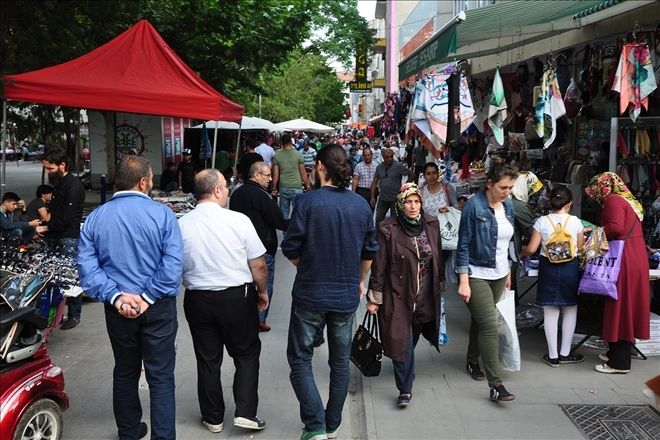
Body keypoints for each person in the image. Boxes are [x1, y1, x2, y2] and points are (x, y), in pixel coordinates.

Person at [77, 156, 183, 440]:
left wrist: (115, 297)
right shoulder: (163, 215)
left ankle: (129, 432)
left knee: (125, 370)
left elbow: (88, 268)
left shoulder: (96, 218)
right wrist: (147, 297)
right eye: (150, 179)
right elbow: (172, 266)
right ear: (143, 182)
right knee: (160, 376)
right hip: (157, 306)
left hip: (118, 308)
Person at [281, 144, 378, 440]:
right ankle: (331, 423)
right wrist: (359, 279)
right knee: (339, 361)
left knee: (299, 359)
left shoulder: (308, 203)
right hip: (345, 296)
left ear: (320, 166)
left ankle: (315, 425)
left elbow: (291, 247)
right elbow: (369, 252)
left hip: (310, 293)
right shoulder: (361, 206)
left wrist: (307, 266)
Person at [179, 169, 269, 433]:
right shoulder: (238, 221)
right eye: (226, 187)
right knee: (247, 353)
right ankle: (245, 411)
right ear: (217, 190)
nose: (228, 191)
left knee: (208, 359)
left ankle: (213, 417)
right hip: (236, 298)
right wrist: (262, 292)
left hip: (197, 298)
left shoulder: (182, 224)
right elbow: (259, 265)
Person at [366, 183, 444, 407]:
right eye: (408, 202)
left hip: (425, 293)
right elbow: (378, 265)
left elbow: (438, 255)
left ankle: (404, 359)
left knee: (414, 333)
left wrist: (440, 283)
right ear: (401, 203)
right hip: (398, 293)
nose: (413, 206)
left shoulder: (431, 223)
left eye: (417, 201)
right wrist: (375, 298)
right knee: (402, 338)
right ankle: (405, 389)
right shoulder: (387, 228)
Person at [455, 164, 518, 402]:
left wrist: (509, 270)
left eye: (511, 187)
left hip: (500, 274)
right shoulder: (474, 206)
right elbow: (463, 244)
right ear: (490, 184)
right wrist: (463, 280)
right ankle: (496, 384)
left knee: (481, 320)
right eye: (503, 187)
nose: (508, 192)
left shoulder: (509, 205)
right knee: (490, 325)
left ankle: (472, 359)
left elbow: (508, 243)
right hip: (476, 273)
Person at [584, 172, 650, 374]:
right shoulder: (625, 200)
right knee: (627, 307)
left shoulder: (613, 200)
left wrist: (594, 233)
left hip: (624, 260)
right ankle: (616, 353)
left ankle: (619, 363)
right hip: (633, 257)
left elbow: (615, 227)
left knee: (620, 308)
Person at [521, 186, 585, 367]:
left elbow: (532, 249)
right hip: (570, 268)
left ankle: (553, 355)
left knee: (551, 310)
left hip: (548, 267)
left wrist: (522, 253)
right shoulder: (575, 222)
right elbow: (580, 247)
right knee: (570, 309)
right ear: (570, 204)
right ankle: (565, 353)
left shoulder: (542, 221)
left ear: (550, 202)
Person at [230, 161, 287, 332]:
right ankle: (259, 319)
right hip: (262, 247)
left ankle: (242, 317)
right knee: (264, 284)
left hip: (240, 247)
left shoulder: (237, 194)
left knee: (243, 284)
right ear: (256, 175)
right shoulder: (262, 195)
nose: (270, 179)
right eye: (267, 175)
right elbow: (278, 219)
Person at [41, 147, 86, 330]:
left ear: (62, 165)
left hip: (67, 237)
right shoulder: (59, 184)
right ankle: (54, 313)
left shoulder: (74, 186)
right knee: (53, 277)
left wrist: (46, 226)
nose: (48, 172)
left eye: (50, 169)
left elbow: (66, 218)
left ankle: (74, 314)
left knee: (69, 277)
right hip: (54, 235)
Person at [272, 133, 311, 220]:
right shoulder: (298, 155)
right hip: (297, 186)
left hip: (283, 186)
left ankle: (285, 232)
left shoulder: (277, 155)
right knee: (297, 212)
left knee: (284, 212)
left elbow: (275, 174)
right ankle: (295, 232)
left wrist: (274, 188)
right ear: (291, 142)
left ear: (281, 143)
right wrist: (307, 185)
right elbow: (303, 172)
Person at [371, 148, 411, 225]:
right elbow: (375, 181)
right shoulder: (379, 167)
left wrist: (405, 187)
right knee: (379, 220)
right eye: (387, 157)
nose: (389, 159)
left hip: (395, 199)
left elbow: (411, 174)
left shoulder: (398, 166)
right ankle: (379, 235)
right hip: (383, 198)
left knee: (395, 222)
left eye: (391, 157)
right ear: (383, 157)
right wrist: (372, 196)